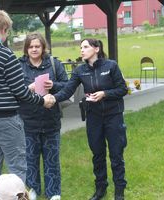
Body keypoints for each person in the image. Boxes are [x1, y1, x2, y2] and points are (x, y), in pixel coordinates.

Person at [0, 9, 53, 194]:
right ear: (5, 28)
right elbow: (21, 92)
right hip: (7, 120)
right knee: (17, 168)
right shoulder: (6, 55)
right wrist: (42, 101)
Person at [51, 38, 128, 200]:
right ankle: (101, 189)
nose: (82, 50)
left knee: (116, 154)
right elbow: (67, 91)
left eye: (85, 47)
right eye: (81, 47)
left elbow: (122, 89)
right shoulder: (80, 71)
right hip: (94, 118)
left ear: (96, 49)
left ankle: (119, 191)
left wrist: (104, 94)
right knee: (97, 154)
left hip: (113, 116)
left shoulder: (111, 66)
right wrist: (52, 98)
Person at [18, 32, 68, 200]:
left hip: (51, 121)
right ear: (26, 48)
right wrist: (30, 88)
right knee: (30, 160)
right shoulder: (19, 65)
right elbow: (14, 91)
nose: (34, 49)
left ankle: (53, 193)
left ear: (43, 47)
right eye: (31, 46)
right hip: (27, 122)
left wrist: (53, 85)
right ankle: (32, 192)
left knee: (52, 159)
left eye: (37, 46)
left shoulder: (54, 64)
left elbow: (67, 86)